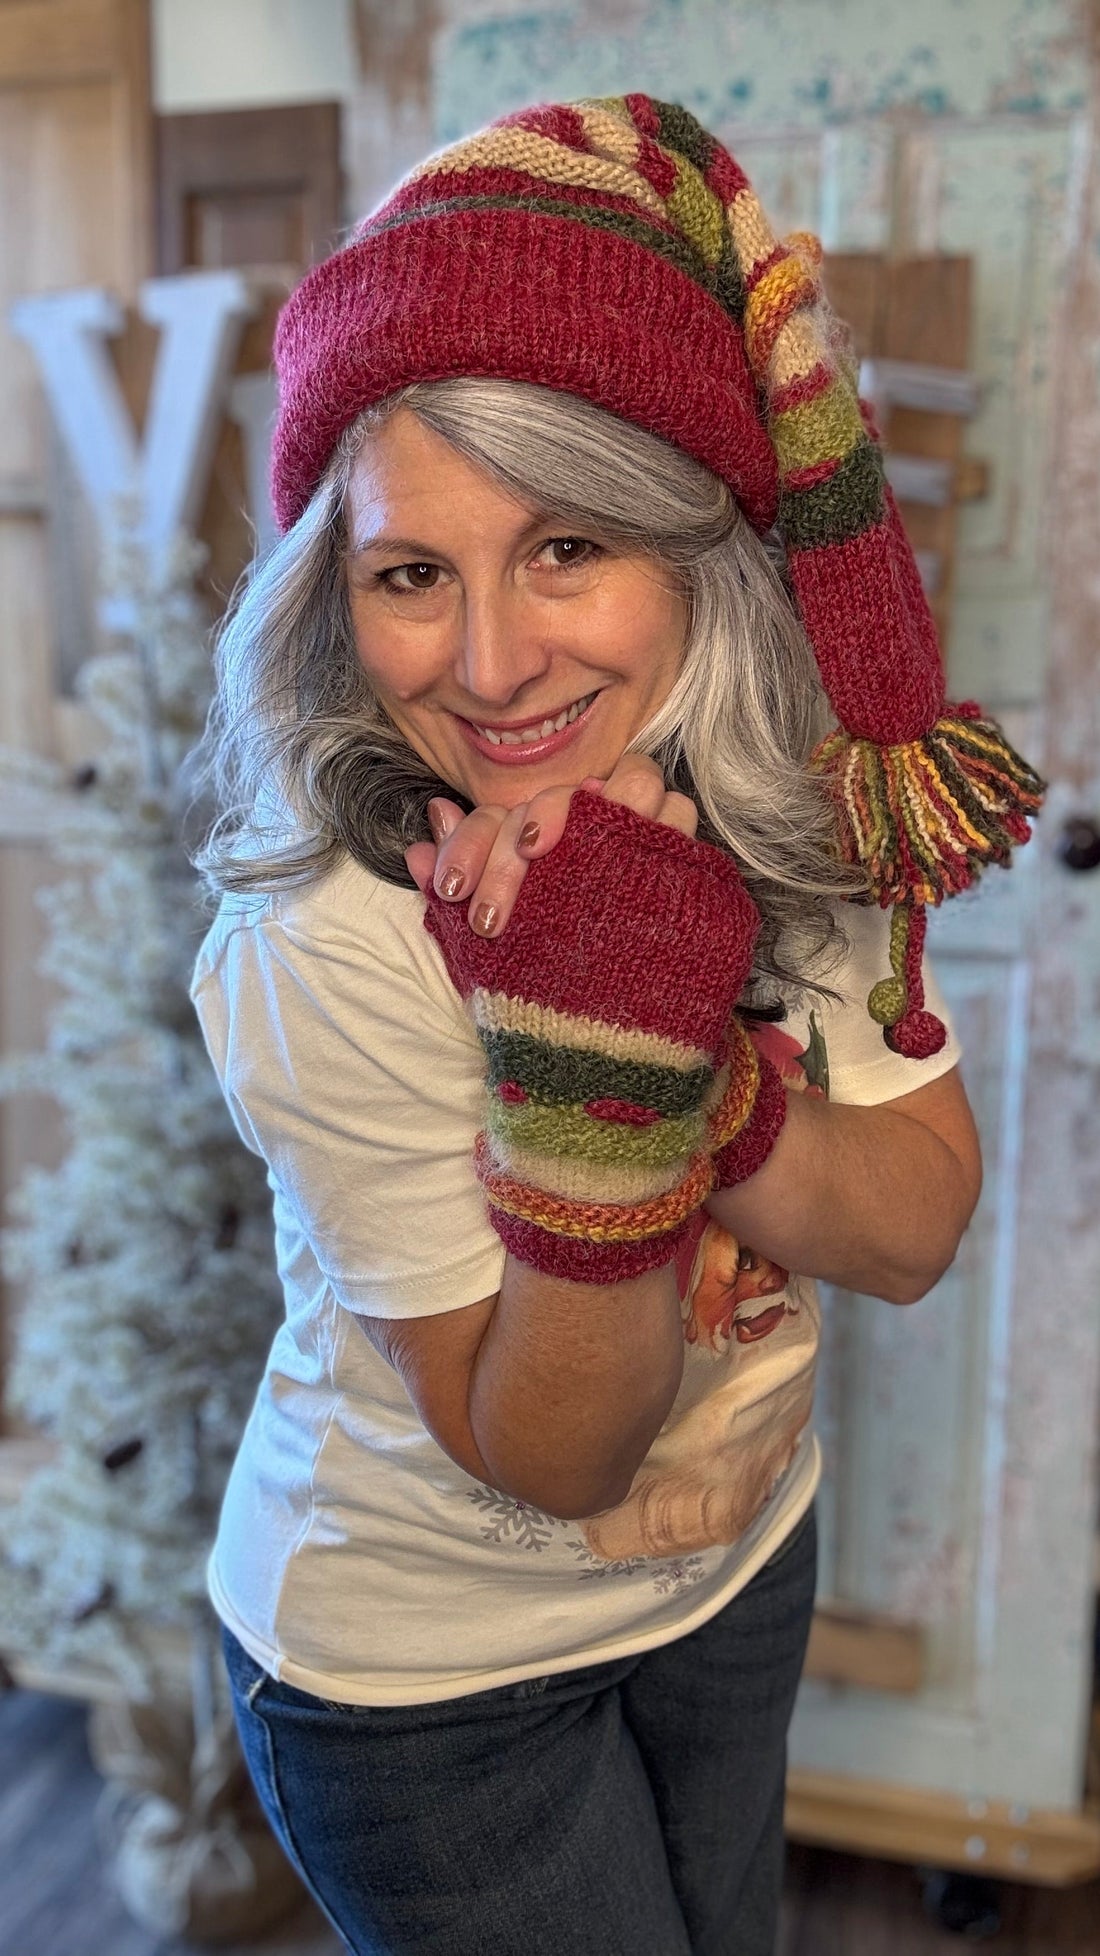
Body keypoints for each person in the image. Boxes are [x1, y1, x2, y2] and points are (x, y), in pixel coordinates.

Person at [189, 95, 1040, 1956]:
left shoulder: (808, 810)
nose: (490, 664)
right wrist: (593, 1058)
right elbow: (553, 1453)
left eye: (568, 546)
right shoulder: (335, 932)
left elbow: (908, 1228)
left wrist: (702, 1067)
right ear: (342, 600)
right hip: (423, 1678)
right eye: (413, 573)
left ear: (697, 550)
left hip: (735, 1567)